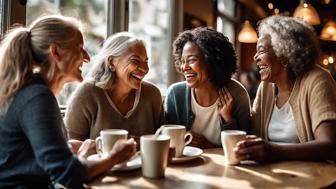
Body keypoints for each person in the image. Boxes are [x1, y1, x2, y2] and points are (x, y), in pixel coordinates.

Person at [0, 15, 136, 188]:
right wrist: (115, 156)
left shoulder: (32, 91)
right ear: (55, 52)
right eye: (80, 48)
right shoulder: (37, 97)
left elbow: (27, 154)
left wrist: (67, 147)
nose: (87, 57)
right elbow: (68, 174)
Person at [233, 15, 336, 161]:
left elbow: (329, 145)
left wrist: (275, 151)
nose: (255, 57)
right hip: (273, 175)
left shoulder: (318, 80)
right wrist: (227, 118)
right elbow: (252, 133)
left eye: (261, 50)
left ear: (285, 52)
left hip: (313, 178)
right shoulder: (266, 87)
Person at [65, 32, 164, 142]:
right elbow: (69, 147)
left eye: (146, 61)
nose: (145, 69)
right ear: (111, 62)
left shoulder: (152, 95)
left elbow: (163, 141)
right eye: (135, 61)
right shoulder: (87, 94)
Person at [165, 27, 251, 149]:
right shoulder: (175, 94)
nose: (184, 67)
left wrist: (228, 120)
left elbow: (242, 148)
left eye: (191, 60)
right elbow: (168, 143)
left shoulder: (237, 94)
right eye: (183, 61)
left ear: (212, 60)